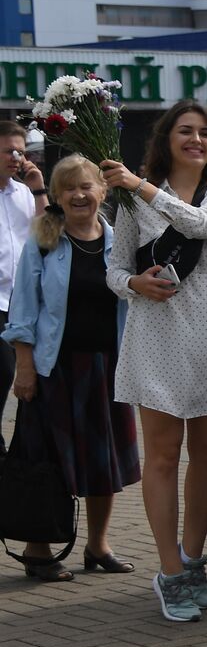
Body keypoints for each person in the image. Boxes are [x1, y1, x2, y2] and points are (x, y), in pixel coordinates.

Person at [102, 101, 207, 620]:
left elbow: (199, 224)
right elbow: (114, 267)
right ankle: (169, 570)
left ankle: (193, 559)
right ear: (166, 139)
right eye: (185, 132)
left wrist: (141, 186)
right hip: (159, 330)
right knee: (164, 455)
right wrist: (133, 283)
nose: (196, 140)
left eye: (205, 133)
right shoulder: (132, 200)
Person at [5, 156, 137, 581]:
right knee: (47, 461)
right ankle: (38, 550)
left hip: (107, 367)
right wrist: (24, 369)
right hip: (53, 369)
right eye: (69, 189)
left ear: (103, 191)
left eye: (87, 186)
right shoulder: (44, 243)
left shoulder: (121, 244)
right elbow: (23, 312)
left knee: (104, 462)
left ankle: (97, 545)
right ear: (58, 198)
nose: (79, 195)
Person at [0, 119, 47, 456]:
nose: (17, 157)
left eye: (20, 150)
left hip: (22, 307)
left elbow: (48, 235)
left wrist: (39, 189)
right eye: (9, 151)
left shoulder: (24, 193)